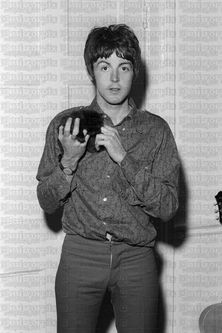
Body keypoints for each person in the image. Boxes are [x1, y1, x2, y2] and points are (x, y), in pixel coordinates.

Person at [36, 24, 180, 333]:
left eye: (123, 67)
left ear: (134, 71)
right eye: (105, 66)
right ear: (92, 70)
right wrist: (69, 162)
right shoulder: (65, 125)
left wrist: (124, 159)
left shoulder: (156, 131)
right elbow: (46, 201)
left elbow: (168, 207)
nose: (114, 78)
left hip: (136, 259)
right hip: (80, 255)